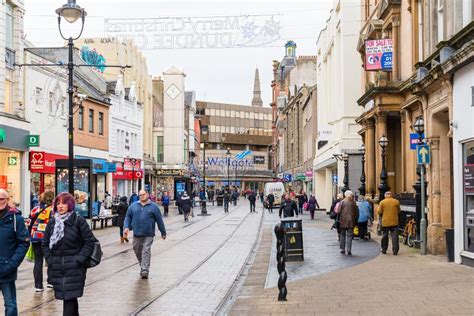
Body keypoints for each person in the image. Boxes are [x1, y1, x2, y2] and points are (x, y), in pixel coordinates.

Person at [42, 192, 97, 316]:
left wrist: (79, 259)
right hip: (57, 268)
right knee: (69, 298)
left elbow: (89, 242)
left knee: (69, 299)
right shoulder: (52, 222)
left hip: (74, 268)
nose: (60, 206)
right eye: (58, 203)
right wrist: (50, 260)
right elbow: (44, 244)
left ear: (70, 205)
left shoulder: (78, 221)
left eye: (64, 203)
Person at [124, 190, 166, 279]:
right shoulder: (133, 206)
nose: (142, 196)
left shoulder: (154, 207)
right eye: (140, 195)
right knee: (137, 250)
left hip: (149, 233)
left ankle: (145, 270)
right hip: (137, 233)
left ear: (147, 194)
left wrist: (163, 232)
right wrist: (126, 227)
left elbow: (159, 220)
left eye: (143, 194)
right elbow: (127, 217)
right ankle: (143, 265)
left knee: (146, 250)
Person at [0, 189, 29, 316]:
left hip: (7, 268)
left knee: (10, 305)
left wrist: (12, 264)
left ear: (7, 200)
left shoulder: (17, 220)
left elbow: (23, 243)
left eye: (2, 199)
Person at [28, 190, 56, 292]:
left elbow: (29, 222)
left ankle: (38, 285)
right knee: (50, 259)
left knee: (38, 261)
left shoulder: (35, 209)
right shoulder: (53, 210)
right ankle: (51, 282)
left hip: (35, 237)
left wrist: (29, 235)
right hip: (48, 238)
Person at [338, 191, 359, 255]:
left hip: (342, 221)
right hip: (351, 221)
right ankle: (349, 250)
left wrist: (338, 219)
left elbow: (338, 211)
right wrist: (356, 220)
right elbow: (357, 213)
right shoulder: (353, 203)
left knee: (342, 235)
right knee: (349, 236)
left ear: (345, 195)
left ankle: (342, 249)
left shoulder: (342, 202)